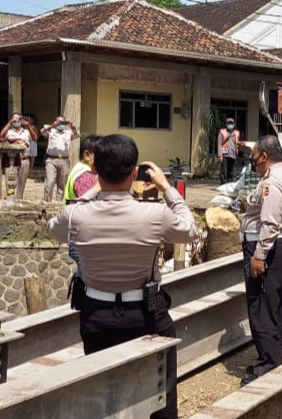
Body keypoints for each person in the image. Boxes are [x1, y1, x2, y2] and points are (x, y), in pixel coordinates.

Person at [46, 134, 198, 419]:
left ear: (95, 172)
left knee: (104, 391)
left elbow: (52, 227)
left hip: (96, 315)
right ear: (134, 173)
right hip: (145, 315)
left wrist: (93, 190)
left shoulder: (77, 215)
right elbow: (190, 230)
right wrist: (166, 188)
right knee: (159, 390)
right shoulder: (154, 214)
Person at [239, 135, 282, 386]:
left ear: (263, 156)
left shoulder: (273, 181)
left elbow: (270, 223)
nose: (253, 163)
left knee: (261, 306)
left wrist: (259, 255)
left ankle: (267, 363)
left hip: (268, 247)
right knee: (274, 305)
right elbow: (259, 202)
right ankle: (272, 356)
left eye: (254, 159)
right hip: (279, 245)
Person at [40, 115, 80, 202]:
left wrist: (73, 127)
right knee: (50, 182)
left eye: (62, 122)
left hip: (64, 160)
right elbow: (42, 132)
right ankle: (47, 202)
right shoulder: (51, 131)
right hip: (51, 160)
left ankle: (59, 203)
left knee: (62, 184)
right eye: (58, 122)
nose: (60, 124)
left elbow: (77, 136)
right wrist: (52, 125)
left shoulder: (68, 132)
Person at [0, 113, 36, 200]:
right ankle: (10, 198)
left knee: (21, 183)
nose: (16, 122)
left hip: (24, 159)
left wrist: (28, 125)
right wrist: (10, 122)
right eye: (14, 120)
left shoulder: (26, 132)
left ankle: (19, 200)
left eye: (18, 119)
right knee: (10, 181)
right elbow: (2, 135)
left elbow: (34, 138)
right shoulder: (9, 132)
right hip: (12, 160)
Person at [64, 135, 101, 203]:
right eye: (101, 155)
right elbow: (91, 206)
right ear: (87, 155)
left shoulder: (79, 168)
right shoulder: (85, 177)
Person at [218, 117, 242, 184]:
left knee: (231, 171)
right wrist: (220, 155)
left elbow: (237, 143)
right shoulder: (222, 132)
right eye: (229, 123)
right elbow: (219, 144)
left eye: (231, 123)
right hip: (225, 155)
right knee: (224, 171)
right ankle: (223, 183)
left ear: (234, 124)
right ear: (226, 124)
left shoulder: (236, 133)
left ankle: (229, 184)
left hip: (233, 154)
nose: (230, 125)